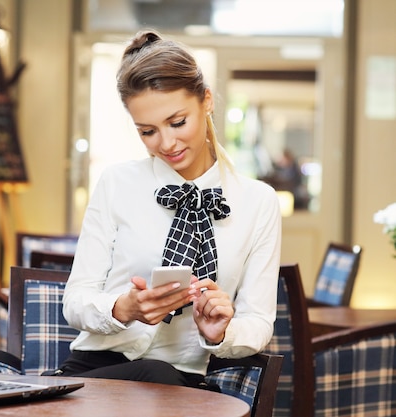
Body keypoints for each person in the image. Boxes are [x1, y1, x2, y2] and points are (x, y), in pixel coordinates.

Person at [55, 30, 282, 390]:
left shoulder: (258, 202)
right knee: (154, 378)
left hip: (182, 380)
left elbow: (258, 323)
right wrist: (124, 309)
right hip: (96, 372)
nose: (166, 143)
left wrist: (222, 332)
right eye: (147, 131)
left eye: (178, 123)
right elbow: (76, 301)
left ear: (206, 100)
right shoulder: (117, 183)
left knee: (160, 377)